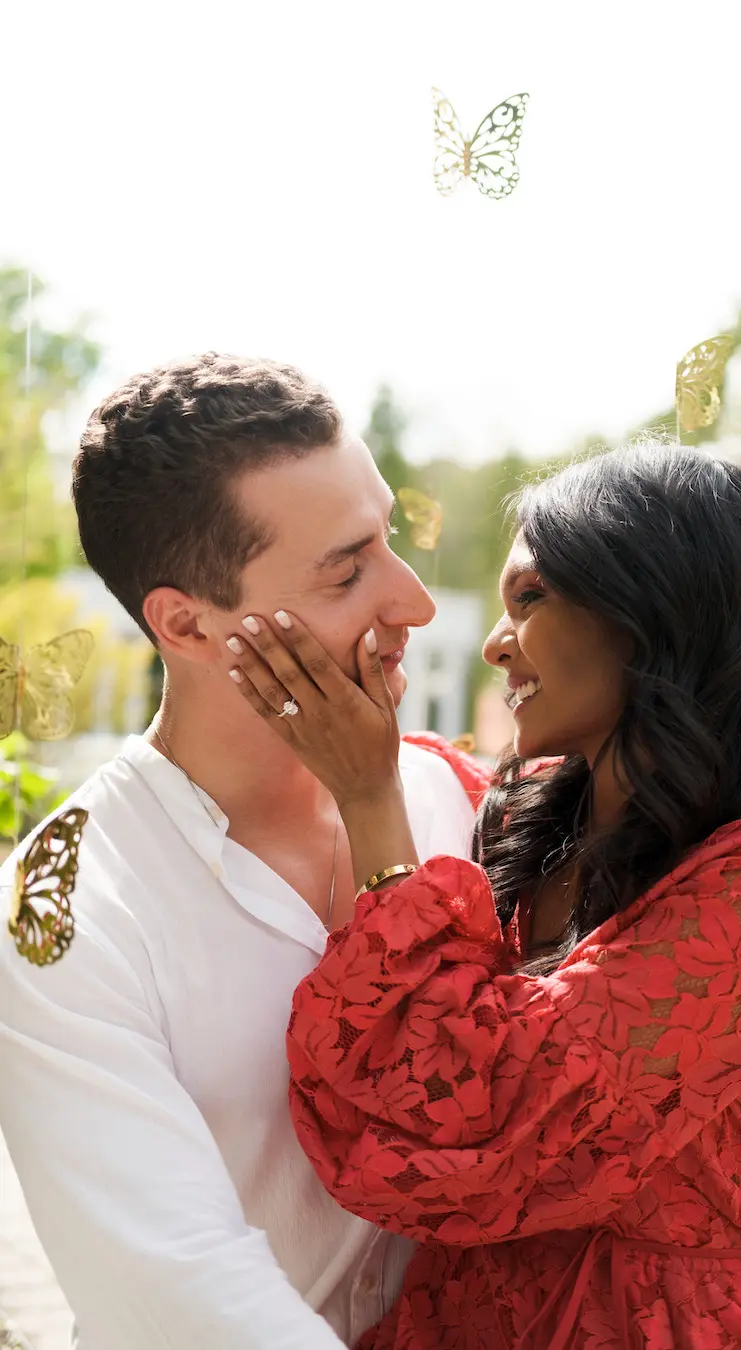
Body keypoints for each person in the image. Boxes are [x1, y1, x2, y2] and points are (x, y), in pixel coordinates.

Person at [227, 442, 741, 1349]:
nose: (500, 644)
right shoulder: (515, 823)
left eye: (531, 599)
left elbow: (489, 1115)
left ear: (651, 610)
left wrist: (372, 803)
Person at [0, 353, 479, 1350]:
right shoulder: (66, 909)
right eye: (347, 569)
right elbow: (181, 1292)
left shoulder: (449, 807)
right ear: (185, 622)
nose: (414, 603)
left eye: (387, 538)